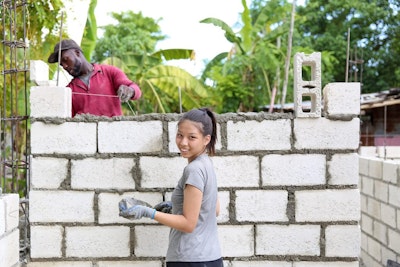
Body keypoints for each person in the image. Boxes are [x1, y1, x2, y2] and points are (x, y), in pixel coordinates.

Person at [119, 107, 223, 267]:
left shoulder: (194, 169)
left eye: (192, 137)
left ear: (206, 139)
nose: (183, 142)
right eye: (180, 135)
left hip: (190, 259)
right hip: (210, 258)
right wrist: (175, 208)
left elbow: (188, 224)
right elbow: (213, 210)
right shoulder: (206, 164)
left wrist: (148, 212)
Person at [47, 39, 142, 117]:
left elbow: (135, 89)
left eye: (65, 60)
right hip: (86, 138)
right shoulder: (69, 90)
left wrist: (130, 90)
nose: (64, 66)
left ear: (77, 53)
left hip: (114, 134)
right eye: (61, 64)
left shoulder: (109, 72)